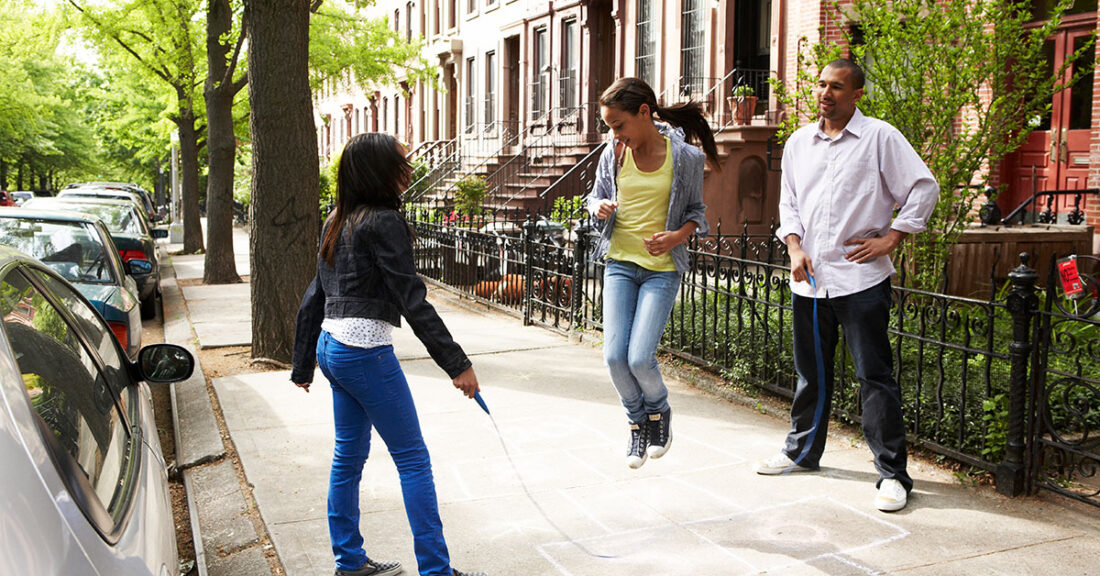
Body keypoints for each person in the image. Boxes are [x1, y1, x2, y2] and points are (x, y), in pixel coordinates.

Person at [291, 133, 488, 576]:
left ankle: (350, 562)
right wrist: (458, 364)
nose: (410, 168)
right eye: (402, 161)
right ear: (380, 170)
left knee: (348, 457)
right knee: (413, 459)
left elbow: (313, 295)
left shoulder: (338, 218)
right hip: (363, 353)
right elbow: (412, 299)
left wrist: (304, 361)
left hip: (332, 349)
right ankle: (436, 570)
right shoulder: (382, 221)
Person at [754, 59, 939, 512]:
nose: (825, 93)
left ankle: (893, 475)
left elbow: (923, 186)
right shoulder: (799, 142)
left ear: (856, 94)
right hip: (811, 283)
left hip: (860, 281)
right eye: (821, 85)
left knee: (874, 377)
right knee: (810, 375)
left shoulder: (880, 137)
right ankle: (802, 452)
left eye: (837, 87)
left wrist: (893, 236)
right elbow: (789, 203)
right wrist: (794, 248)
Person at [586, 77, 718, 469]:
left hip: (661, 271)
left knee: (641, 358)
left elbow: (697, 214)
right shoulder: (613, 153)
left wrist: (677, 235)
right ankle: (636, 421)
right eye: (610, 127)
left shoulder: (686, 159)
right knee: (614, 358)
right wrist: (599, 207)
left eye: (619, 125)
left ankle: (659, 413)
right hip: (620, 265)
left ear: (644, 113)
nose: (615, 134)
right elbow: (594, 197)